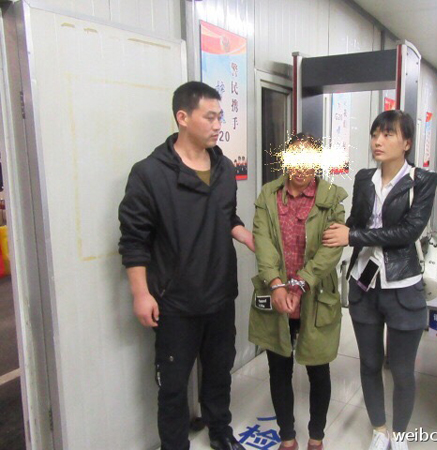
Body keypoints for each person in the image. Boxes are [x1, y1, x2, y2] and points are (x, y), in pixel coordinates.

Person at [118, 81, 254, 450]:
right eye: (210, 117)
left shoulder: (224, 167)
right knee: (174, 386)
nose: (218, 125)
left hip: (220, 295)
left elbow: (225, 215)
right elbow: (134, 240)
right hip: (175, 301)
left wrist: (245, 234)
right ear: (183, 117)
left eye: (220, 117)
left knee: (219, 373)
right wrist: (141, 293)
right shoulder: (149, 174)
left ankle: (220, 432)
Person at [322, 110, 437, 450]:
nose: (378, 141)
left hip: (402, 286)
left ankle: (399, 435)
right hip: (364, 285)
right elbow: (356, 221)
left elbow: (408, 232)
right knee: (370, 364)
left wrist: (353, 236)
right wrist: (340, 230)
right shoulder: (363, 179)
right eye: (375, 134)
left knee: (401, 370)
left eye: (388, 134)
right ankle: (379, 429)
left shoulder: (422, 181)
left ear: (407, 143)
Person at [249, 134, 347, 450]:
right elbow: (262, 241)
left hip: (314, 298)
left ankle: (316, 437)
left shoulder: (330, 198)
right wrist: (277, 284)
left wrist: (302, 282)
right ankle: (287, 437)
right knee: (278, 368)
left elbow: (331, 251)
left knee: (318, 367)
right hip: (277, 295)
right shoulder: (269, 195)